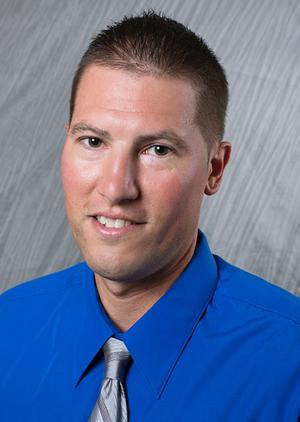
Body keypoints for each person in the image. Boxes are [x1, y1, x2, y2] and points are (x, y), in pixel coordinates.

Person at [0, 9, 299, 422]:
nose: (117, 188)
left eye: (157, 149)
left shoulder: (290, 364)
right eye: (93, 141)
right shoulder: (8, 326)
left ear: (215, 168)